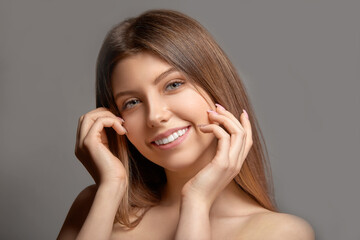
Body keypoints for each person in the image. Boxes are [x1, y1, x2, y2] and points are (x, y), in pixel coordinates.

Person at [57, 9, 314, 240]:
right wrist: (111, 187)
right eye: (132, 102)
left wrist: (197, 201)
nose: (155, 116)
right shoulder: (95, 206)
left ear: (217, 88)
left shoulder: (281, 233)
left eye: (173, 85)